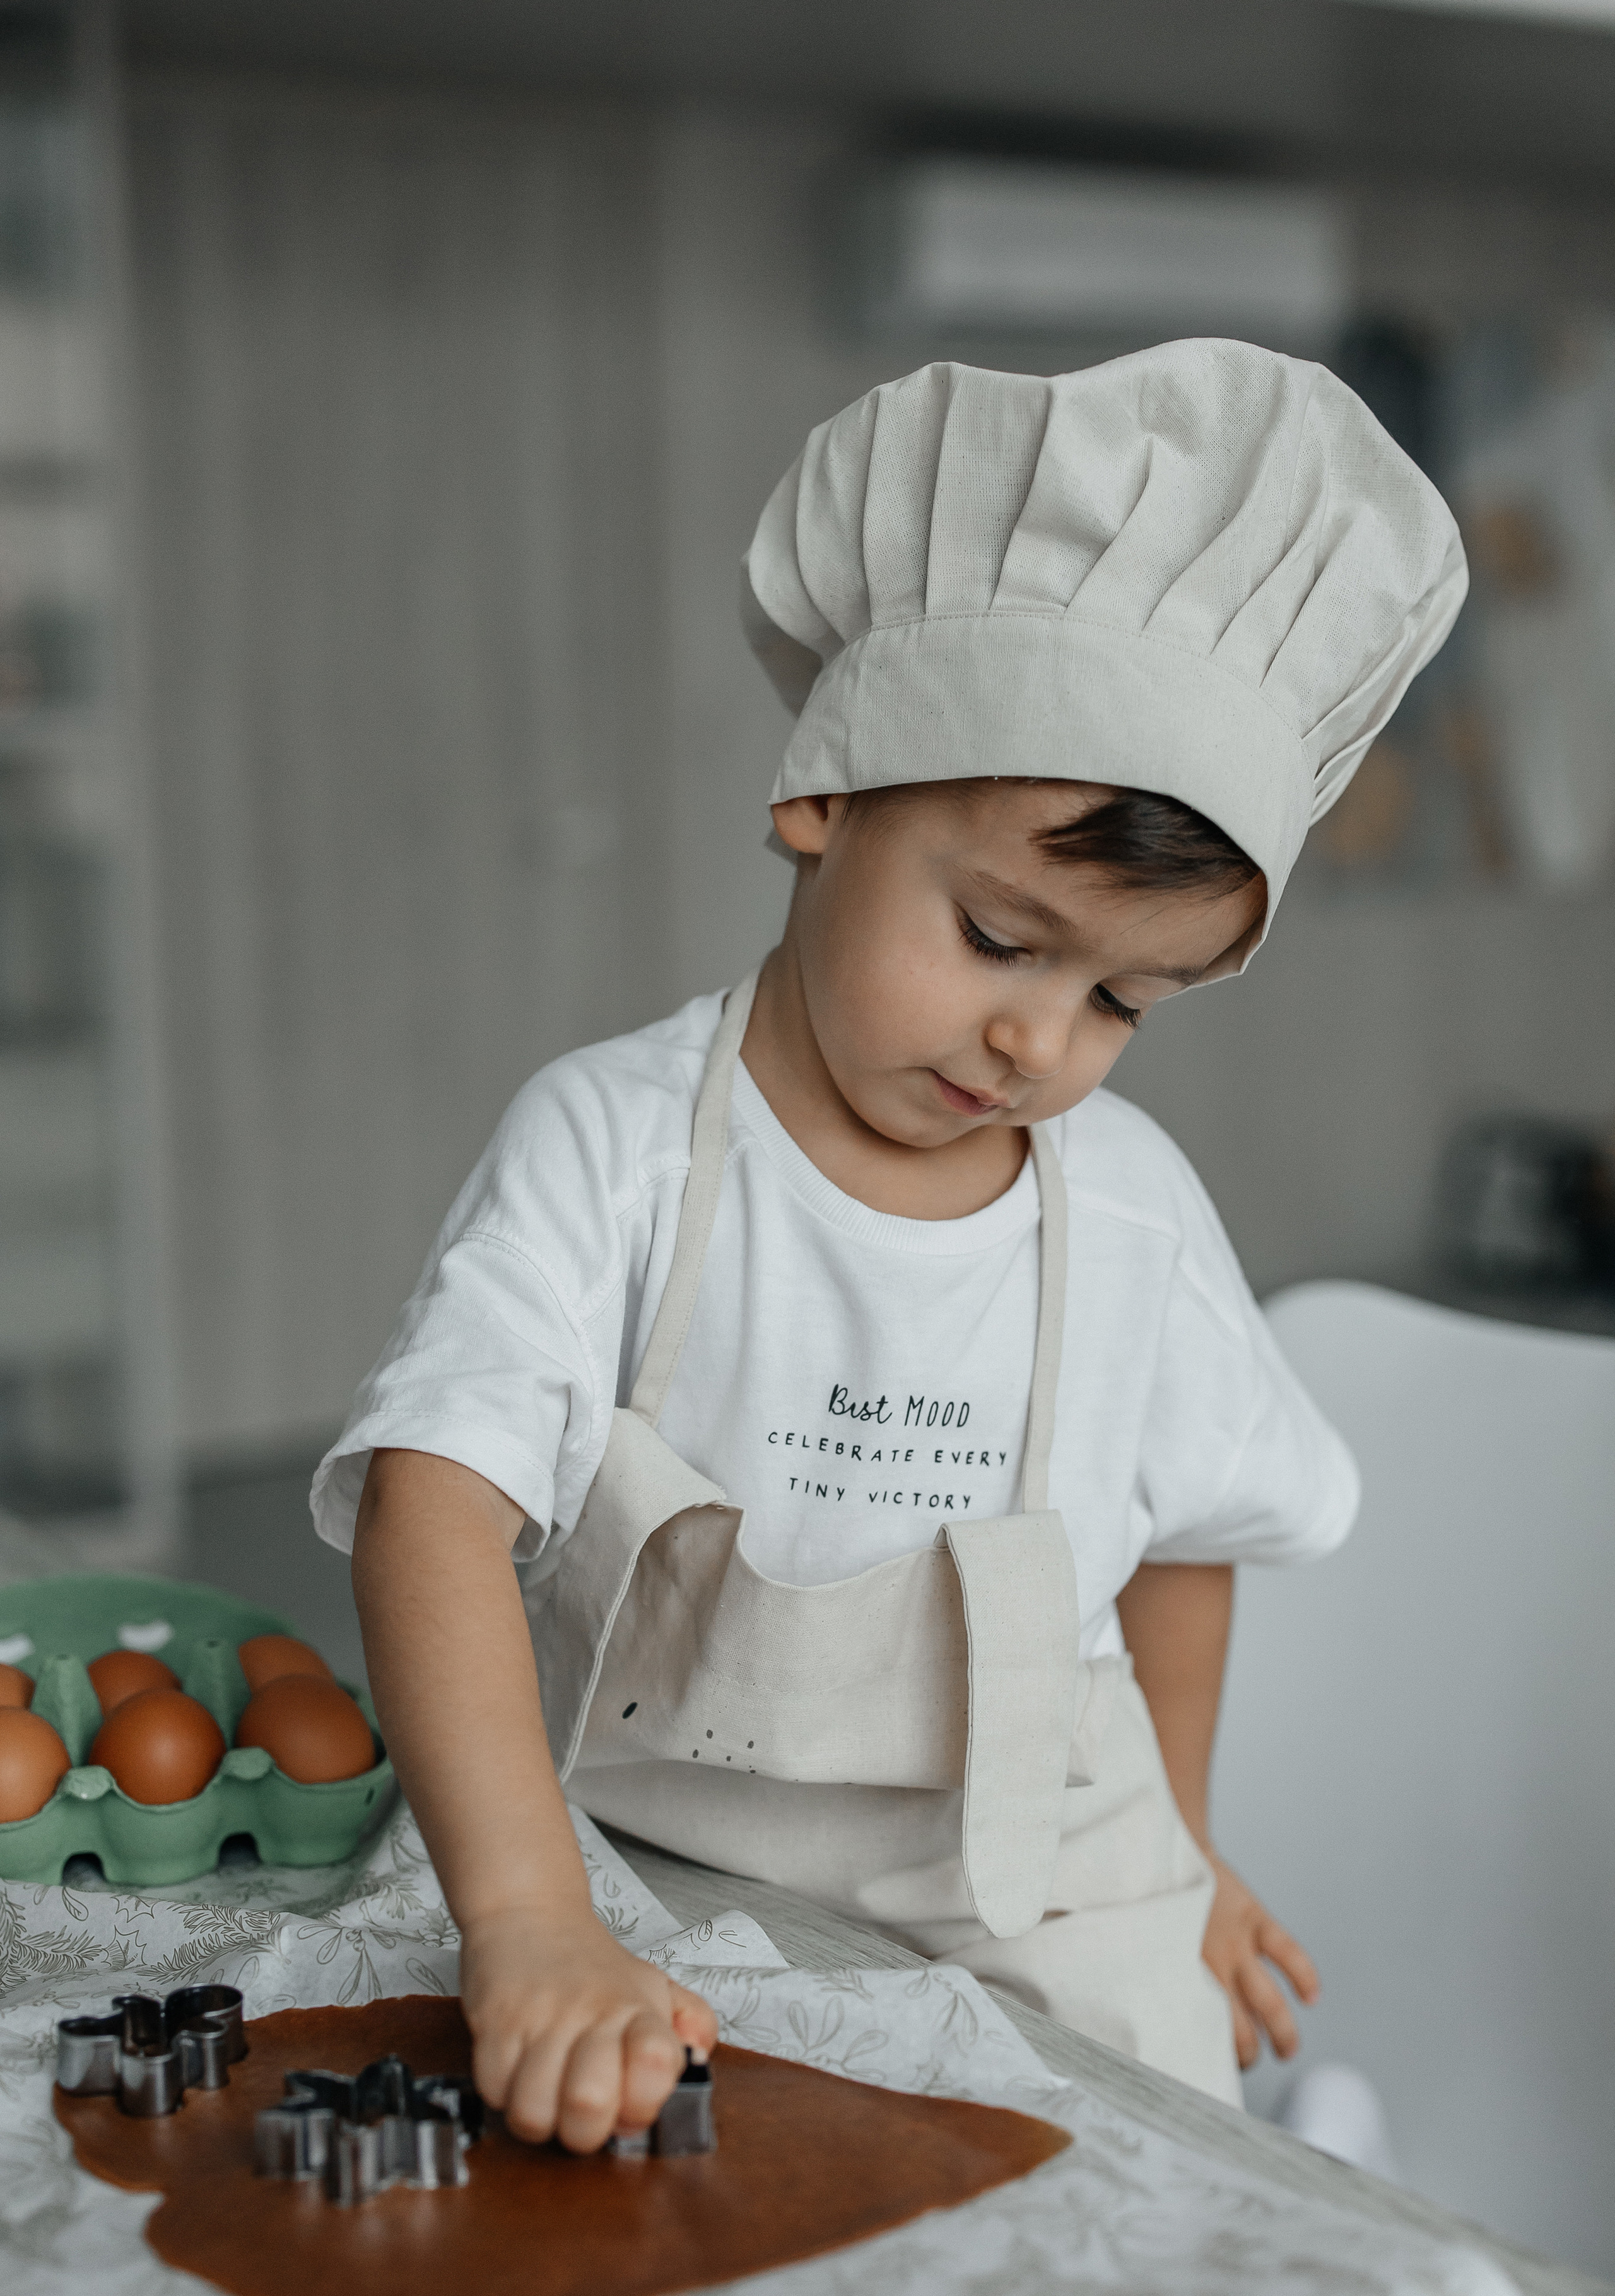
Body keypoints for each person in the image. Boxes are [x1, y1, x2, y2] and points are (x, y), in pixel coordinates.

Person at [312, 340, 1467, 2153]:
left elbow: (1188, 1543)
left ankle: (1306, 2127)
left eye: (1125, 1002)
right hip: (643, 1868)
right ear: (824, 799)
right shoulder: (617, 1148)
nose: (1043, 1045)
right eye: (1004, 939)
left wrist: (1180, 1855)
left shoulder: (1134, 1212)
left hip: (1044, 1894)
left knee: (1143, 2193)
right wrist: (528, 1917)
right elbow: (431, 1502)